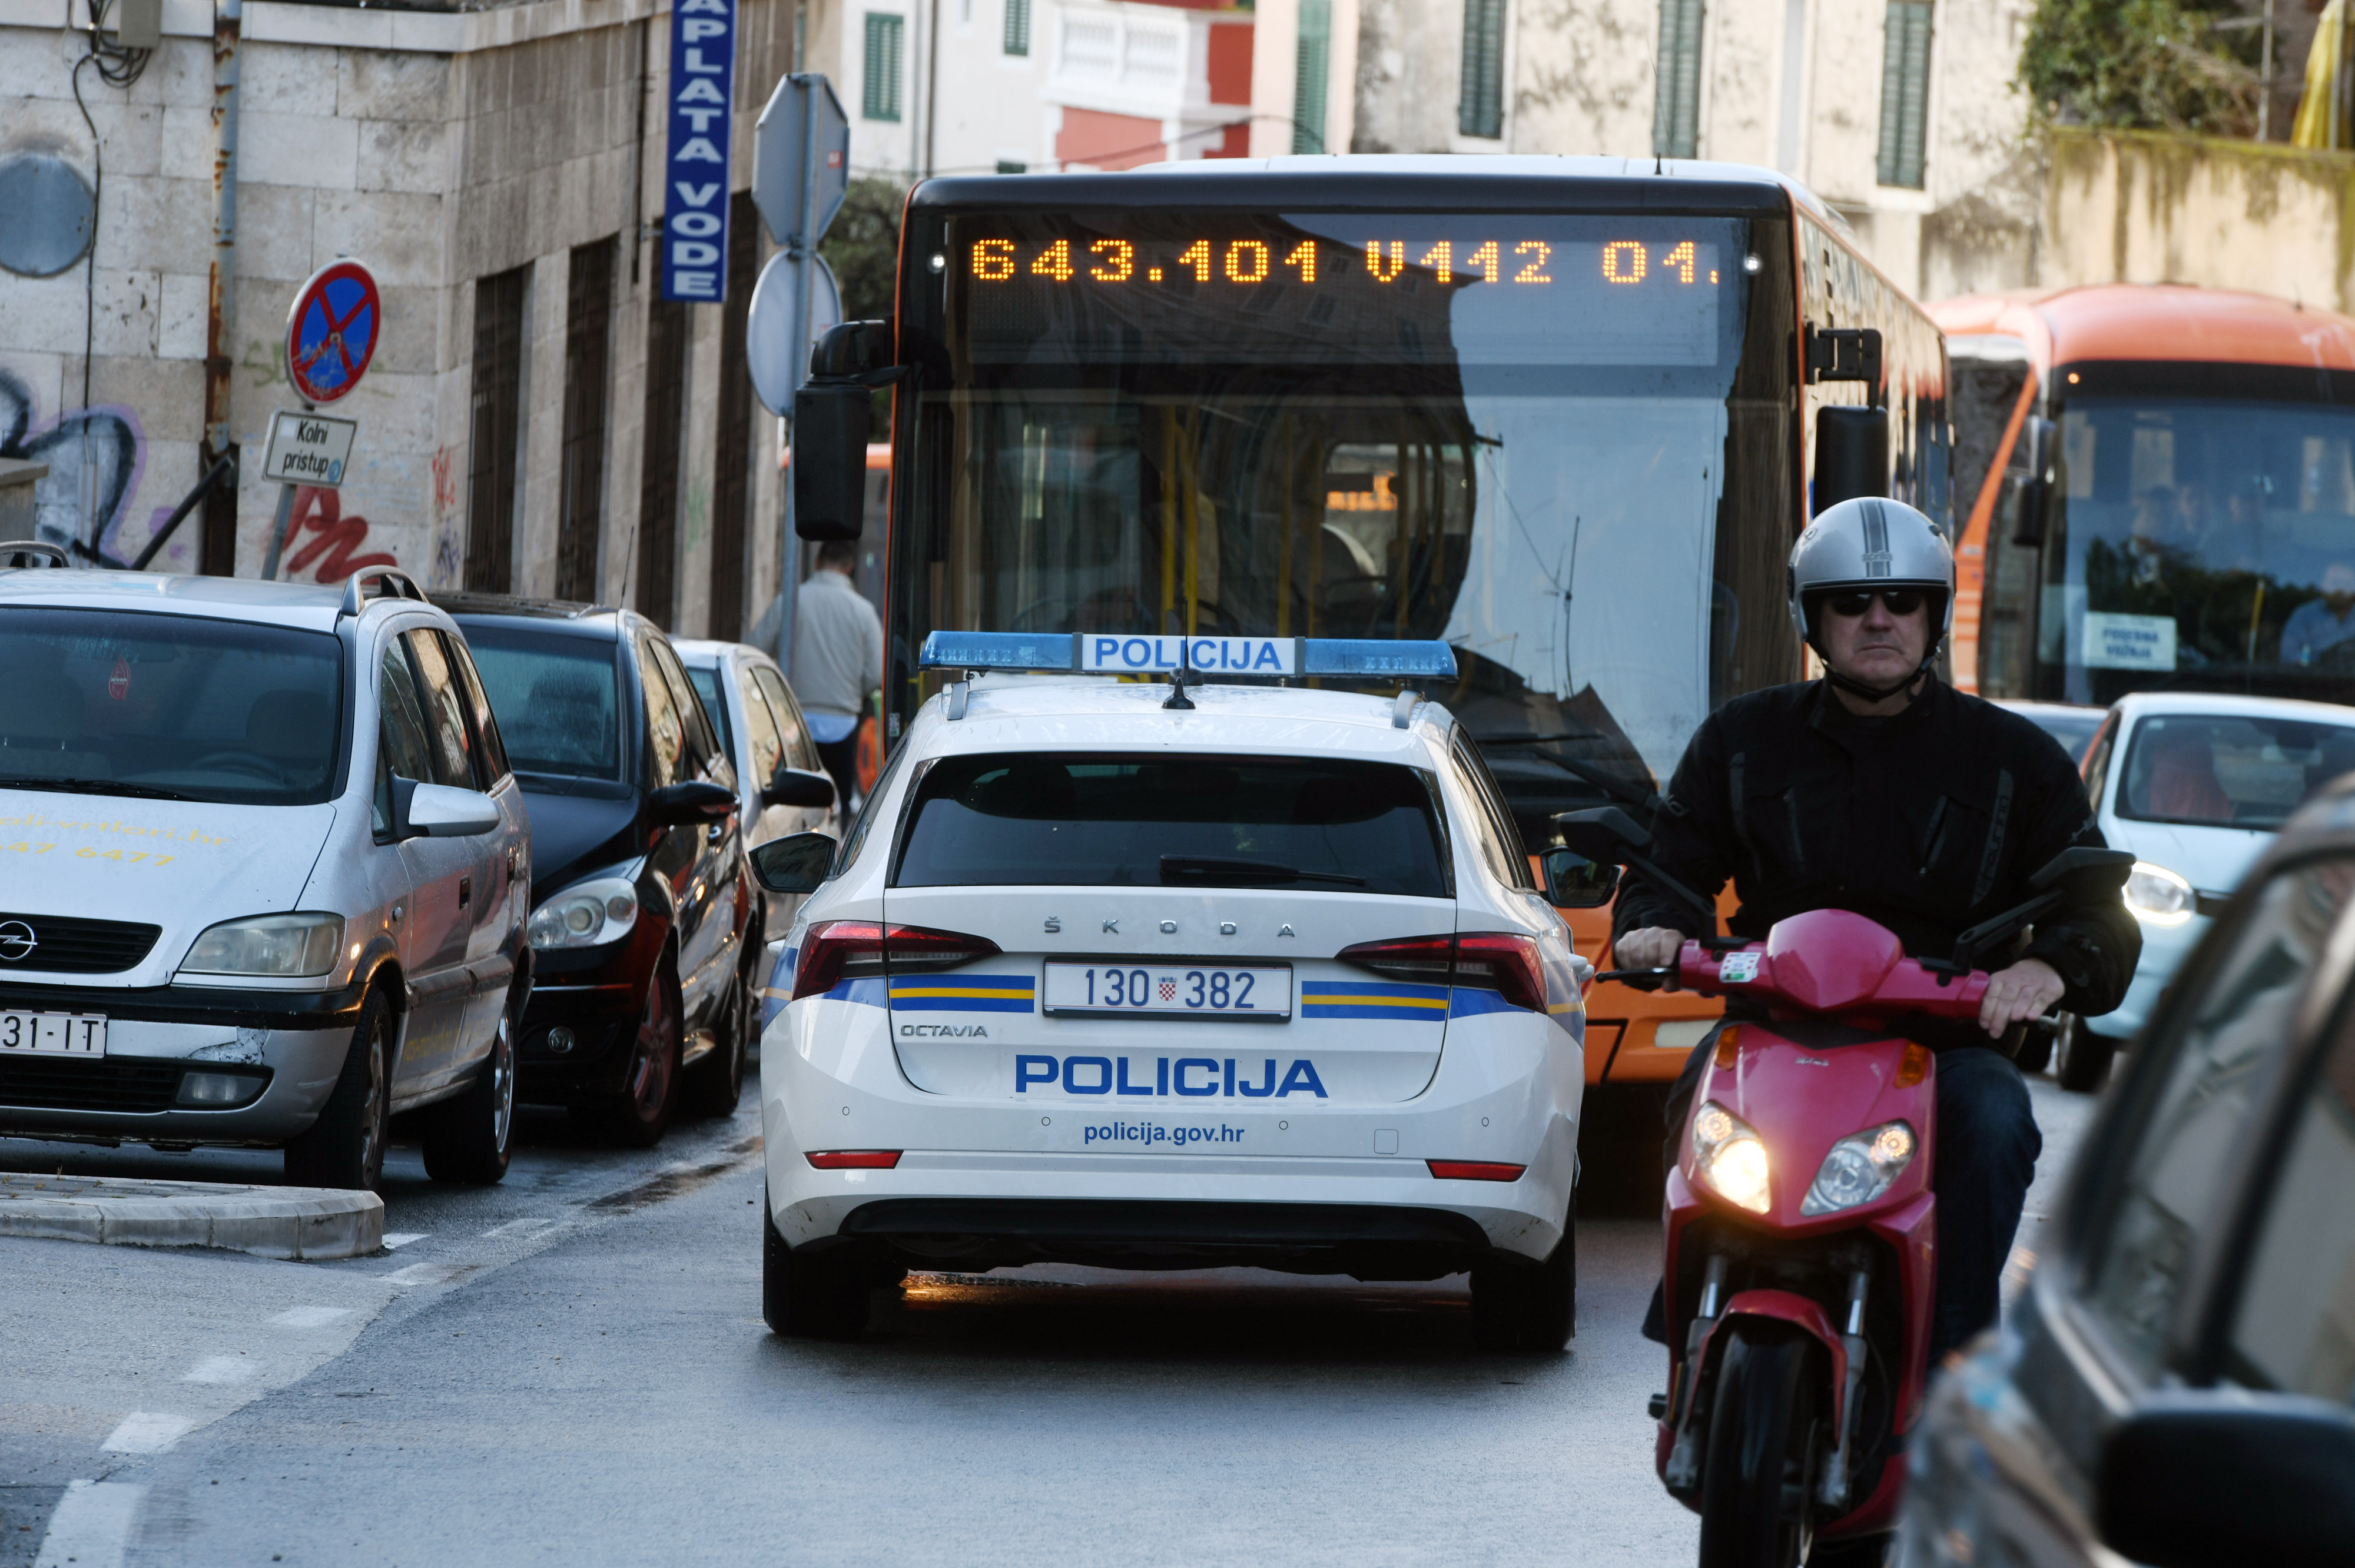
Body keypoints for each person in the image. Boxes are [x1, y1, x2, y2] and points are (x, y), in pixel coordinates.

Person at [1620, 497, 2140, 1360]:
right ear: (1813, 618)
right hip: (1773, 1029)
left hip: (1942, 1044)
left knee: (1997, 1117)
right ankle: (1692, 1322)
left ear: (1934, 615)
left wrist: (2047, 973)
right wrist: (1654, 930)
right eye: (1851, 603)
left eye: (1902, 601)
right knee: (1693, 1089)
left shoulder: (2016, 759)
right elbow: (1667, 870)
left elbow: (2100, 913)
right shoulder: (1741, 741)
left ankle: (1952, 1366)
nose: (1878, 619)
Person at [790, 539, 884, 811]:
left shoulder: (794, 601)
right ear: (851, 567)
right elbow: (876, 674)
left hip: (797, 718)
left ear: (817, 562)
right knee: (838, 801)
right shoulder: (864, 611)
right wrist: (854, 692)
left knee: (798, 801)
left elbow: (758, 645)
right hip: (844, 720)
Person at [2281, 562, 2355, 665]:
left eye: (2346, 584)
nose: (2340, 590)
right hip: (2313, 678)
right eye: (2335, 584)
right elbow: (2290, 653)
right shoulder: (2304, 615)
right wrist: (2311, 663)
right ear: (2323, 588)